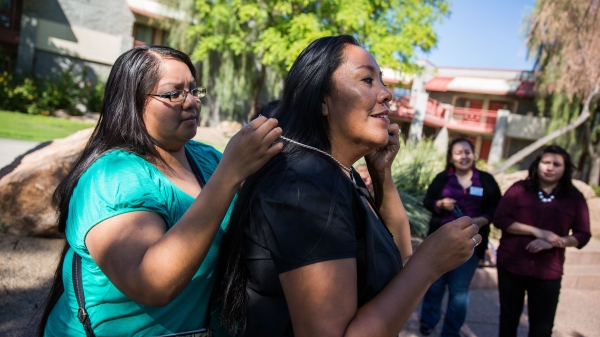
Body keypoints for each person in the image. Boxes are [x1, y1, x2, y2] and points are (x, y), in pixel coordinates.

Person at [216, 35, 482, 337]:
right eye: (367, 80)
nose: (387, 94)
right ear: (321, 101)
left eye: (381, 80)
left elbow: (399, 253)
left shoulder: (341, 173)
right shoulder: (305, 186)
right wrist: (429, 264)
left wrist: (382, 175)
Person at [37, 45, 282, 336]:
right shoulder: (112, 177)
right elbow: (152, 284)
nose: (191, 102)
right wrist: (230, 173)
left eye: (193, 90)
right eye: (173, 93)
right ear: (132, 102)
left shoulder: (206, 158)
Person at [493, 145, 591, 337]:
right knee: (508, 318)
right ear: (538, 164)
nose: (550, 167)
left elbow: (583, 235)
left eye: (556, 164)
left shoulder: (574, 198)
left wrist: (555, 241)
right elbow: (500, 219)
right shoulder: (519, 189)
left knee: (542, 326)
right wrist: (538, 232)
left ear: (565, 169)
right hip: (512, 264)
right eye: (546, 162)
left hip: (548, 270)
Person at [418, 138, 502, 336]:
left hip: (471, 244)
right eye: (458, 153)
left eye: (467, 152)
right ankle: (427, 323)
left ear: (473, 155)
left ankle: (450, 332)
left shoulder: (486, 180)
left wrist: (482, 219)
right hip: (440, 242)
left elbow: (497, 208)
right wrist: (440, 204)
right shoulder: (442, 178)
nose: (463, 156)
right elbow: (428, 201)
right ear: (451, 157)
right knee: (435, 284)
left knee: (459, 290)